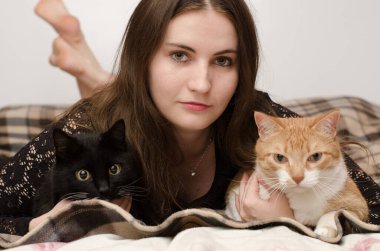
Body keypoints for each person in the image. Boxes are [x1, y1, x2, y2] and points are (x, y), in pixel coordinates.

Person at [0, 0, 379, 236]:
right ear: (143, 57)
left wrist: (292, 218)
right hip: (121, 105)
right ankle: (90, 71)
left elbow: (371, 206)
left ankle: (88, 67)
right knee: (114, 105)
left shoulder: (256, 117)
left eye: (223, 60)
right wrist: (32, 227)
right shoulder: (86, 129)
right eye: (180, 55)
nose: (202, 84)